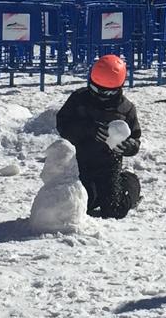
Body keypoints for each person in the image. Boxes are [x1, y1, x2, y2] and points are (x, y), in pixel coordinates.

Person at [55, 55, 142, 219]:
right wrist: (88, 129)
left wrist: (129, 146)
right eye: (96, 89)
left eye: (107, 92)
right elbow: (62, 125)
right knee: (80, 204)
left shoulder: (126, 109)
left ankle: (130, 181)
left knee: (114, 210)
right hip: (78, 164)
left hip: (109, 167)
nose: (100, 96)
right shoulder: (79, 99)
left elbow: (136, 139)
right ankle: (94, 195)